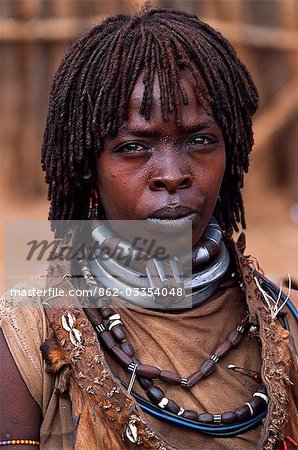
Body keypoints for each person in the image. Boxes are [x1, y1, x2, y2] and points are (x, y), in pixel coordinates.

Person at [0, 5, 297, 450]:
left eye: (200, 140)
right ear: (88, 168)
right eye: (134, 147)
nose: (173, 173)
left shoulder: (284, 324)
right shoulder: (27, 336)